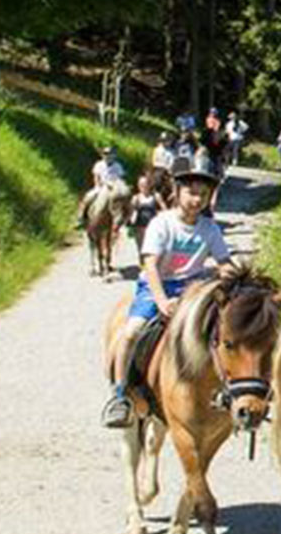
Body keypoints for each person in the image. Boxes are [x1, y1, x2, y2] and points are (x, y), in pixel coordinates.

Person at [101, 152, 236, 428]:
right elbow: (150, 265)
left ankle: (224, 389)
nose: (197, 199)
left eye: (203, 194)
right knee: (131, 332)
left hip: (192, 288)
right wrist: (161, 301)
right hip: (157, 286)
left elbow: (224, 262)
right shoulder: (162, 223)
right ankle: (120, 394)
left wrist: (237, 279)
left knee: (222, 331)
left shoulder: (210, 228)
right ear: (177, 191)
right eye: (191, 192)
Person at [75, 143, 126, 229]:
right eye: (105, 154)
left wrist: (117, 186)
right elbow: (96, 177)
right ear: (102, 155)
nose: (108, 156)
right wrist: (98, 186)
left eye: (110, 154)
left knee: (123, 199)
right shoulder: (99, 165)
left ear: (114, 155)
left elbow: (120, 178)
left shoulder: (118, 166)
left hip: (114, 188)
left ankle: (125, 220)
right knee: (87, 197)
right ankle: (81, 217)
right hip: (101, 187)